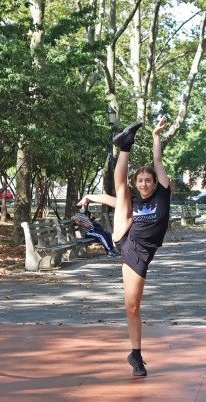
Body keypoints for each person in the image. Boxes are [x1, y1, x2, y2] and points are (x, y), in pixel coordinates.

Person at [77, 116, 171, 377]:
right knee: (122, 197)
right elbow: (113, 199)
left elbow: (158, 161)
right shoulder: (134, 202)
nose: (144, 184)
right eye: (140, 180)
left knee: (133, 306)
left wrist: (155, 137)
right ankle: (125, 146)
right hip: (129, 246)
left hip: (144, 251)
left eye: (147, 180)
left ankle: (133, 355)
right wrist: (90, 196)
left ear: (155, 183)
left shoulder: (163, 195)